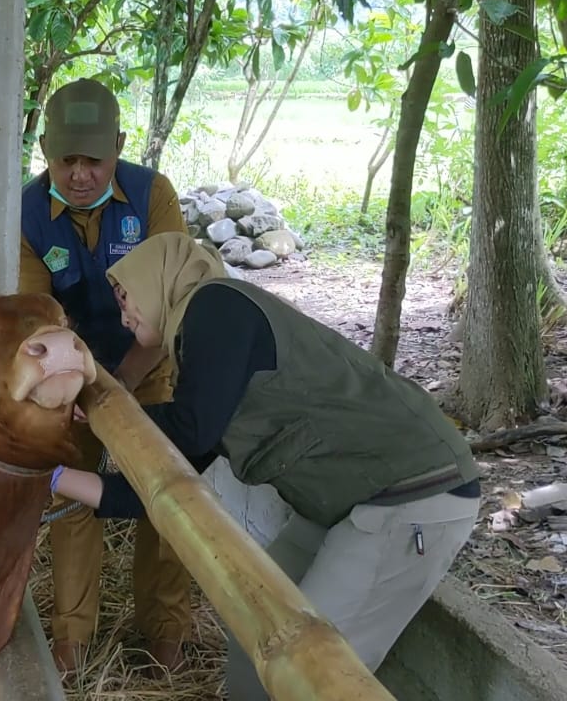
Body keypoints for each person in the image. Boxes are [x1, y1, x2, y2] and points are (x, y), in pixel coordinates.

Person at [52, 232, 482, 699]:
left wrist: (100, 414)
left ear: (156, 278)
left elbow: (188, 432)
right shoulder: (200, 346)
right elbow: (169, 471)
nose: (124, 315)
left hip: (412, 494)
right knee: (257, 624)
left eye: (124, 296)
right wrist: (52, 478)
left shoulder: (217, 307)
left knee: (316, 674)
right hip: (344, 501)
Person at [18, 77, 194, 676]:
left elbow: (172, 302)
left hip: (149, 365)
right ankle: (72, 637)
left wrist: (120, 377)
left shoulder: (152, 198)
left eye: (94, 159)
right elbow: (37, 318)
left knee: (166, 492)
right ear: (45, 150)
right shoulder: (28, 214)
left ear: (118, 146)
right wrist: (72, 384)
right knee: (73, 492)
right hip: (72, 375)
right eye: (66, 159)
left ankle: (165, 630)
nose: (81, 174)